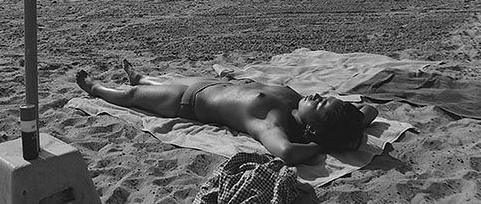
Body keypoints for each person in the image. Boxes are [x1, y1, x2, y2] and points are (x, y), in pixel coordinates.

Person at [76, 60, 378, 166]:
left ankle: (95, 88)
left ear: (313, 130)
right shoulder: (301, 104)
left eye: (321, 104)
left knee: (133, 97)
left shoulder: (273, 122)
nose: (318, 96)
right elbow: (369, 111)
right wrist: (353, 122)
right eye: (324, 98)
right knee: (164, 81)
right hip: (214, 85)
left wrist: (320, 145)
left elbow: (286, 152)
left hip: (186, 101)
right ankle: (141, 77)